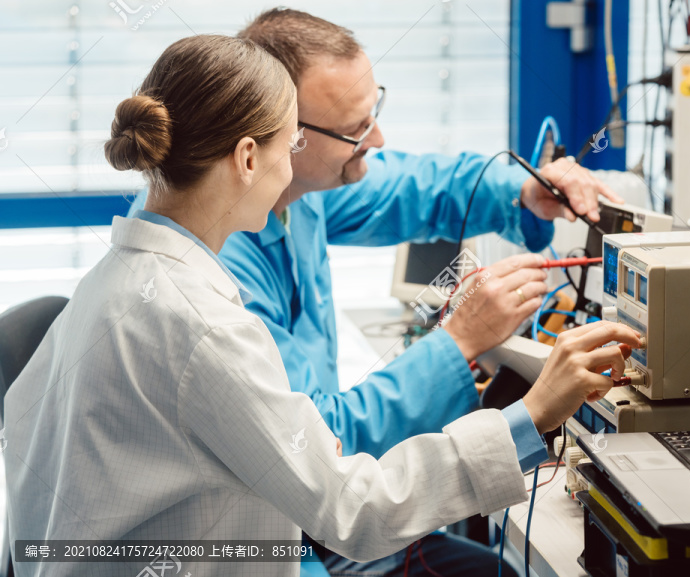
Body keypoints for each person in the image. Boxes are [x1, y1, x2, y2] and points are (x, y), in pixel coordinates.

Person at [4, 34, 642, 577]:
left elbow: (407, 186)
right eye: (289, 148)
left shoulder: (124, 272)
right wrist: (530, 415)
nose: (297, 174)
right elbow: (352, 510)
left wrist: (519, 186)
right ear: (248, 159)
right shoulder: (202, 325)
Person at [208, 10, 624, 574]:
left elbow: (413, 186)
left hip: (323, 519)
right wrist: (459, 339)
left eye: (373, 111)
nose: (376, 139)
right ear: (283, 137)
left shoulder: (292, 193)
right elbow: (319, 443)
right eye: (356, 130)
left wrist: (523, 187)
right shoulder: (219, 264)